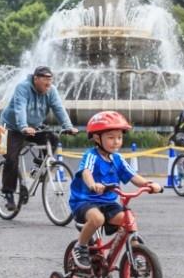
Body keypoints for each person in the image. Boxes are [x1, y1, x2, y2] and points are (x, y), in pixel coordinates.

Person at [68, 111, 162, 269]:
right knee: (97, 219)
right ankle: (80, 246)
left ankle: (135, 249)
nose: (116, 142)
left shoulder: (118, 159)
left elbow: (133, 176)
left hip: (108, 202)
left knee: (128, 218)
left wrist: (149, 184)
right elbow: (86, 172)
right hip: (85, 201)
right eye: (111, 137)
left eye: (119, 137)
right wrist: (93, 185)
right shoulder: (91, 156)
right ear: (97, 138)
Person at [0, 66, 77, 211]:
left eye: (50, 81)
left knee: (53, 138)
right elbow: (20, 108)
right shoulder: (23, 88)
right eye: (45, 81)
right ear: (36, 79)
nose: (48, 85)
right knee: (11, 158)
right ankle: (8, 193)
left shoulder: (51, 91)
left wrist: (68, 126)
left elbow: (59, 108)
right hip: (11, 127)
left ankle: (38, 166)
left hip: (33, 127)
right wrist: (23, 126)